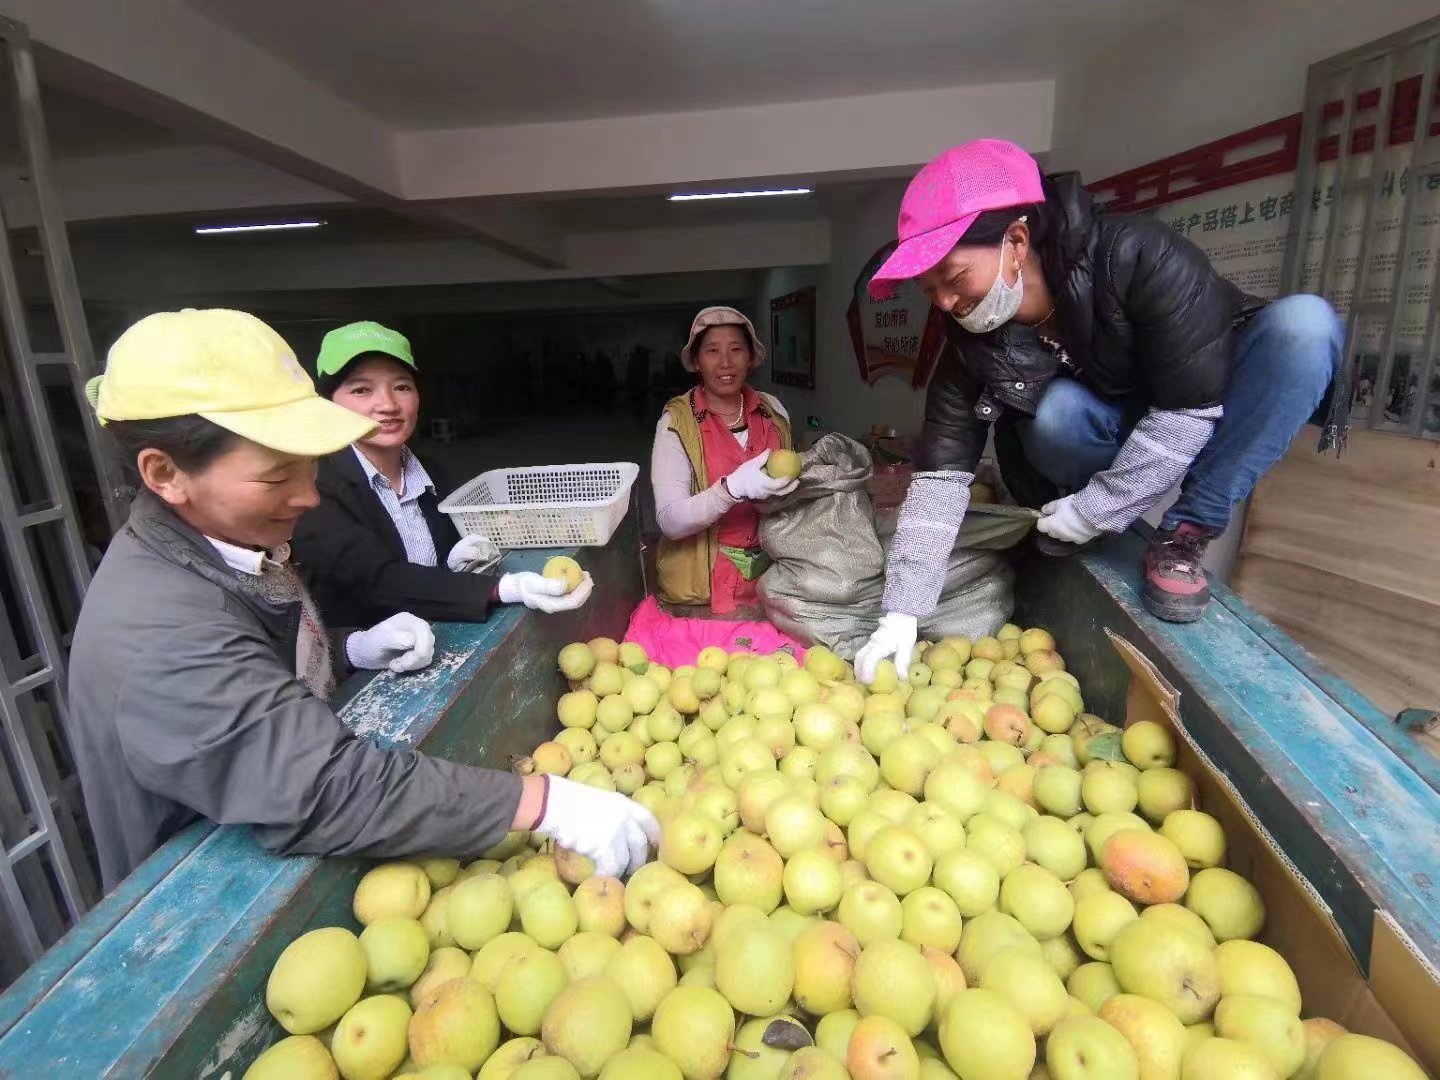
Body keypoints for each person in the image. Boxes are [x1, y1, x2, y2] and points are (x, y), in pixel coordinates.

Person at [68, 309, 657, 892]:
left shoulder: (231, 544)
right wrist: (546, 803)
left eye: (310, 469)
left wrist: (348, 648)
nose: (307, 496)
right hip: (195, 911)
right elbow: (320, 786)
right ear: (165, 473)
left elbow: (256, 676)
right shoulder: (160, 630)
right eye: (277, 478)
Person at [855, 139, 1342, 680]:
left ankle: (1185, 533)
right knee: (1056, 412)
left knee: (1305, 326)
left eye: (954, 277)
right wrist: (901, 612)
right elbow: (942, 474)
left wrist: (1100, 508)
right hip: (1098, 442)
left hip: (1194, 412)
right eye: (930, 291)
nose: (946, 303)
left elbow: (1187, 408)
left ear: (1016, 240)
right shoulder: (969, 344)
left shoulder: (1138, 255)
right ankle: (1093, 517)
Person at [292, 321, 592, 630]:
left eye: (402, 386)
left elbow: (438, 558)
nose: (388, 405)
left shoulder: (430, 472)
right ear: (329, 404)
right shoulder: (314, 488)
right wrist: (500, 588)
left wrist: (457, 558)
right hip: (372, 661)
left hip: (442, 631)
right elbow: (376, 581)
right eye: (361, 390)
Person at [651, 306, 799, 616]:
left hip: (772, 588)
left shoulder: (773, 411)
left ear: (750, 357)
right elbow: (670, 520)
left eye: (736, 350)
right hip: (701, 595)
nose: (726, 362)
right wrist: (730, 489)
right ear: (696, 361)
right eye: (712, 351)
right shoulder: (676, 422)